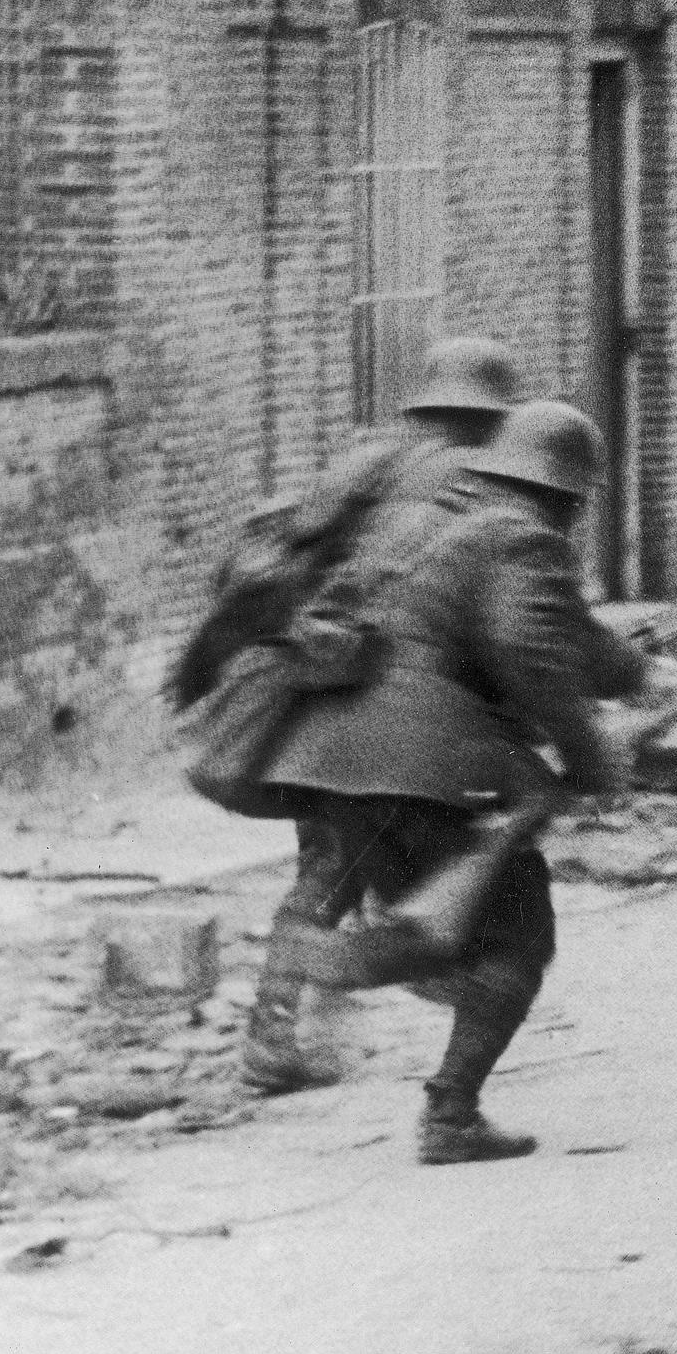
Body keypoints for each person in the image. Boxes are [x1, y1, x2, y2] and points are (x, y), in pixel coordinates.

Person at [250, 401, 644, 1164]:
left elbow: (554, 634)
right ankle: (450, 1111)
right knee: (519, 935)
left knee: (443, 914)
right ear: (566, 492)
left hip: (332, 754)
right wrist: (594, 756)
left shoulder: (428, 522)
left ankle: (340, 959)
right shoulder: (523, 536)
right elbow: (525, 645)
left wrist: (628, 667)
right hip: (423, 761)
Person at [214, 337, 529, 1097]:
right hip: (394, 713)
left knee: (327, 860)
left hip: (317, 689)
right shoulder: (482, 487)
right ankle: (393, 1003)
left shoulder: (367, 461)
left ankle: (281, 1030)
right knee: (401, 862)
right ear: (493, 415)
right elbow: (490, 623)